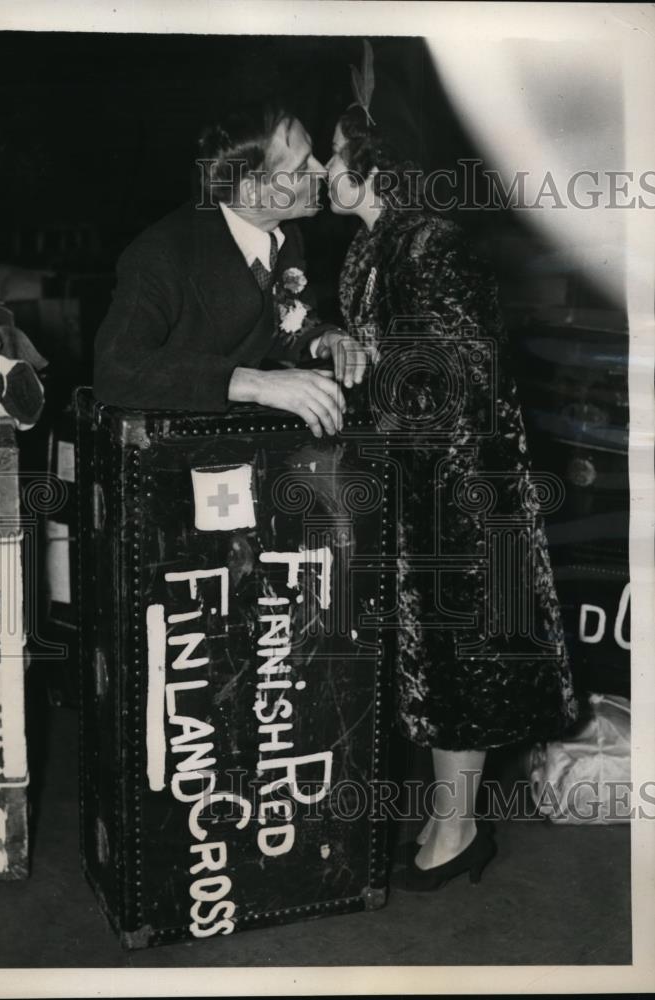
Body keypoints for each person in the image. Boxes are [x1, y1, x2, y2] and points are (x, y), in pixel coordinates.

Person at [326, 48, 579, 890]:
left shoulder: (434, 243)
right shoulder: (368, 251)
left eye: (335, 154)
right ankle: (450, 819)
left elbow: (465, 374)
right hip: (409, 489)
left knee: (459, 664)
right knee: (431, 667)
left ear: (374, 165)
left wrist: (371, 368)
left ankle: (457, 825)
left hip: (465, 495)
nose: (326, 170)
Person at [94, 102, 368, 437]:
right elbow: (116, 368)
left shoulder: (285, 235)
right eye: (301, 169)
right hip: (171, 448)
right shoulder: (162, 254)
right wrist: (256, 384)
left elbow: (282, 321)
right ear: (252, 191)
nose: (322, 171)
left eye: (313, 155)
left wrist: (324, 339)